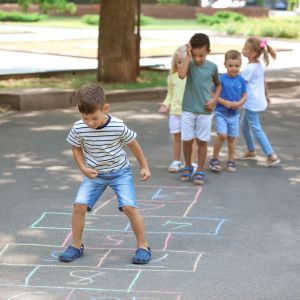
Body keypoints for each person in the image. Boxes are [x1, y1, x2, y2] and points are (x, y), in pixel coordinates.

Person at [59, 84, 151, 264]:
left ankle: (143, 246)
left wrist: (144, 166)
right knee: (79, 205)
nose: (90, 123)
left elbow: (133, 144)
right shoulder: (79, 127)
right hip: (95, 174)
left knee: (129, 207)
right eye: (85, 118)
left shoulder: (117, 125)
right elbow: (76, 147)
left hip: (120, 172)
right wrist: (83, 168)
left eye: (94, 118)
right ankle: (76, 246)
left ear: (105, 108)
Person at [178, 33, 221, 184]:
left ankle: (200, 170)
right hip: (188, 109)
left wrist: (214, 99)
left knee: (202, 141)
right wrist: (188, 56)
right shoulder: (189, 63)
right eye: (195, 55)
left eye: (201, 55)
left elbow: (218, 85)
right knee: (187, 140)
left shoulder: (212, 67)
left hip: (205, 111)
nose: (198, 59)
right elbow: (181, 75)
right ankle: (188, 166)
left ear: (208, 51)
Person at [240, 37, 280, 166]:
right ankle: (251, 151)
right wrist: (267, 96)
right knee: (244, 126)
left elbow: (239, 84)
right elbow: (263, 82)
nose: (242, 50)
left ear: (252, 54)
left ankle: (271, 155)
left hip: (251, 102)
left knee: (256, 128)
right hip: (256, 101)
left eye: (245, 48)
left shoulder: (250, 68)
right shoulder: (259, 64)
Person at [159, 45, 197, 173]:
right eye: (178, 62)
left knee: (191, 139)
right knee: (176, 138)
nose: (181, 65)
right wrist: (165, 105)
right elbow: (170, 94)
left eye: (184, 62)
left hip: (189, 113)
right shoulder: (172, 77)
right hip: (175, 113)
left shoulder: (193, 77)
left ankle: (192, 162)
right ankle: (176, 161)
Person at [210, 50, 247, 172]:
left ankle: (231, 161)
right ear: (225, 64)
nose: (234, 68)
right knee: (223, 135)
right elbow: (213, 93)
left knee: (232, 138)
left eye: (236, 66)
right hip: (221, 112)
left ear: (240, 65)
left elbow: (245, 95)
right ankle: (214, 159)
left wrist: (239, 104)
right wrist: (224, 102)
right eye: (231, 66)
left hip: (234, 114)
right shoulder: (221, 79)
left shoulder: (241, 80)